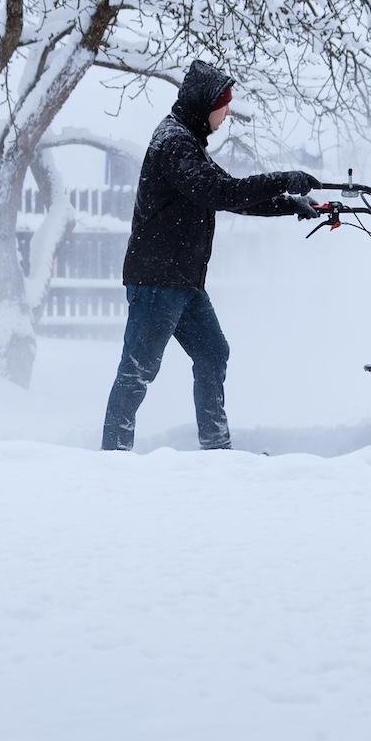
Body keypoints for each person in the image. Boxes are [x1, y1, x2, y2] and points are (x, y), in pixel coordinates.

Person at [101, 59, 321, 452]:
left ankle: (216, 450)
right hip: (158, 280)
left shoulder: (186, 142)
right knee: (137, 371)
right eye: (225, 104)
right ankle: (113, 459)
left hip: (182, 281)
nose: (229, 112)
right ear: (206, 105)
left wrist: (290, 203)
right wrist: (283, 178)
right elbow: (224, 193)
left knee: (212, 353)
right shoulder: (173, 144)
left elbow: (230, 195)